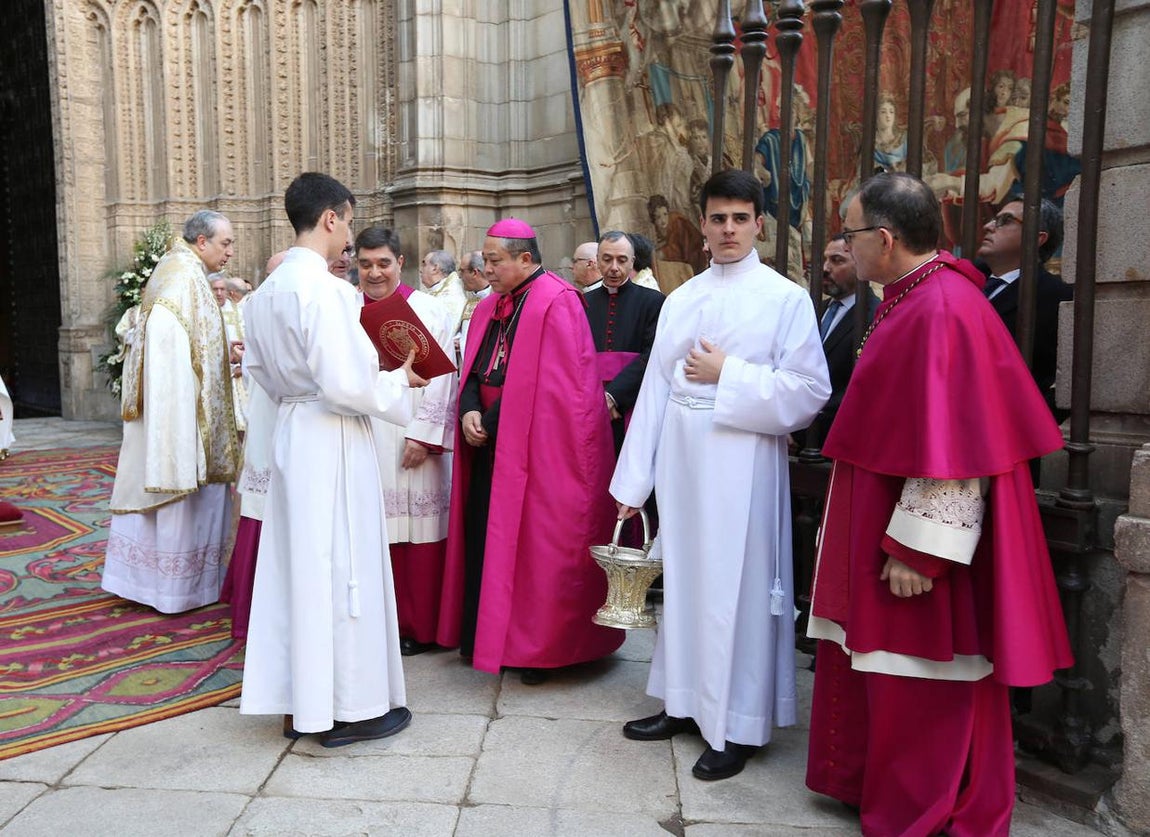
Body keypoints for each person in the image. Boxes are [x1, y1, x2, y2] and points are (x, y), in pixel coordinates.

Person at [805, 173, 1072, 835]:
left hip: (918, 546)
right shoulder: (914, 296)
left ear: (886, 239)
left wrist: (920, 551)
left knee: (921, 678)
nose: (846, 245)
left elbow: (959, 440)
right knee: (888, 671)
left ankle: (922, 808)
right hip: (883, 520)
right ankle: (874, 786)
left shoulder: (943, 307)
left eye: (851, 233)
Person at [612, 169, 830, 782]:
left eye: (740, 218)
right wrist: (633, 485)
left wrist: (729, 374)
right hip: (682, 456)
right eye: (717, 218)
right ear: (702, 224)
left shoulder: (784, 298)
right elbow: (654, 391)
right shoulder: (682, 298)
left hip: (742, 461)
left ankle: (735, 722)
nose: (728, 229)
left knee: (734, 588)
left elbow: (810, 391)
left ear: (759, 223)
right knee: (682, 583)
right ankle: (683, 703)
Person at [239, 172, 427, 746]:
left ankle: (303, 703)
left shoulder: (264, 293)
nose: (347, 233)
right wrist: (399, 381)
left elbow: (261, 376)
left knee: (302, 567)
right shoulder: (325, 290)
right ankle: (352, 704)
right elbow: (347, 385)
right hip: (334, 435)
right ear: (331, 217)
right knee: (347, 567)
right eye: (347, 221)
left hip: (296, 432)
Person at [437, 218, 624, 685]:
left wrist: (491, 420)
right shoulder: (489, 307)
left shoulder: (556, 301)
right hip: (491, 442)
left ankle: (538, 647)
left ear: (525, 258)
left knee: (535, 548)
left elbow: (551, 388)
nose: (486, 267)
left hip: (540, 451)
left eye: (495, 260)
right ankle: (488, 634)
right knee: (486, 536)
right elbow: (476, 370)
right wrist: (468, 410)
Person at [102, 211, 240, 613]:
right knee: (177, 501)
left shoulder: (179, 270)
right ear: (202, 242)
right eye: (225, 243)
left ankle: (158, 585)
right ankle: (175, 591)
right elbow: (167, 348)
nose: (230, 251)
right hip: (179, 416)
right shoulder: (182, 278)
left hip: (183, 408)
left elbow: (190, 343)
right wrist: (180, 432)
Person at [356, 226, 455, 657]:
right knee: (375, 530)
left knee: (418, 531)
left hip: (412, 433)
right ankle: (380, 621)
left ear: (400, 262)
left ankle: (419, 624)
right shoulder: (345, 310)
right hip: (365, 430)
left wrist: (424, 435)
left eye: (383, 263)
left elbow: (444, 375)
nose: (374, 273)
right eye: (365, 264)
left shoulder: (428, 309)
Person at [977, 197, 1072, 414]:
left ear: (1037, 238)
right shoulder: (965, 279)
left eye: (1005, 220)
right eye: (994, 219)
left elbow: (1071, 378)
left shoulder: (1055, 296)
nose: (988, 226)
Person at [585, 231, 664, 454]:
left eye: (622, 260)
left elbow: (653, 355)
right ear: (597, 261)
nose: (614, 267)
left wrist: (613, 396)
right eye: (607, 259)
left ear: (632, 262)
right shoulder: (583, 303)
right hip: (591, 404)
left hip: (637, 401)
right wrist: (596, 398)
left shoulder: (653, 301)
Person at [799, 234, 879, 451]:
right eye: (824, 260)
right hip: (797, 441)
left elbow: (858, 388)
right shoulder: (814, 310)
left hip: (837, 442)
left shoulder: (874, 316)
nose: (825, 268)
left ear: (860, 262)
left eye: (837, 260)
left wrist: (804, 429)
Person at [457, 249, 492, 363]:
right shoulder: (471, 300)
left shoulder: (495, 299)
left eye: (462, 271)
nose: (460, 276)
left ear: (475, 273)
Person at [419, 249, 468, 329]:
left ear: (435, 268)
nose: (421, 270)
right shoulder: (437, 289)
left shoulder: (451, 296)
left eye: (424, 265)